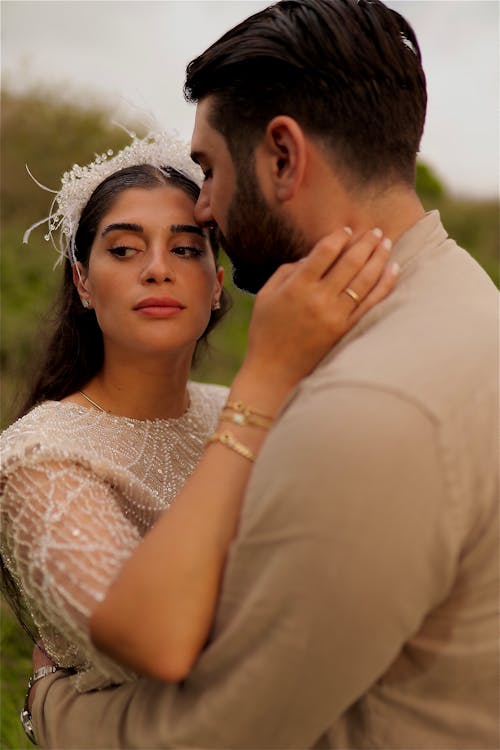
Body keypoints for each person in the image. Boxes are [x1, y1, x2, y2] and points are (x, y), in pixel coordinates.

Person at [31, 0, 499, 748]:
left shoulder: (367, 405)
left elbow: (225, 733)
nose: (206, 206)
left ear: (283, 156)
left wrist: (49, 706)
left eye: (210, 168)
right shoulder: (469, 303)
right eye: (123, 249)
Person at [1, 128, 395, 738]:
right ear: (82, 281)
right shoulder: (39, 457)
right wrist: (264, 378)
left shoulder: (224, 408)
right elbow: (158, 647)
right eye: (125, 250)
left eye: (186, 250)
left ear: (216, 285)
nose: (158, 270)